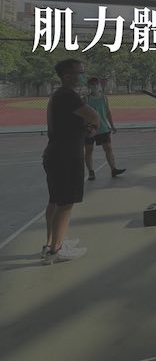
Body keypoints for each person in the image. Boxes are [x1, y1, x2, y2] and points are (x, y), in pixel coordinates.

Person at [42, 59, 98, 264]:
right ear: (67, 76)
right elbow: (93, 116)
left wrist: (84, 127)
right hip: (67, 156)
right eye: (80, 72)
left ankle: (51, 243)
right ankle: (55, 251)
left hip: (55, 153)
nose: (83, 75)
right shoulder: (68, 95)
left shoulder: (58, 95)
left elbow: (70, 122)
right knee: (66, 204)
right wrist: (92, 126)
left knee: (55, 201)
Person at [83, 77, 125, 180]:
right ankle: (91, 172)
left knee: (108, 149)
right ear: (89, 86)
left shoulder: (104, 98)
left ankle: (113, 169)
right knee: (89, 151)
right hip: (90, 129)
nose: (94, 86)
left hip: (103, 128)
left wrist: (112, 126)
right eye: (92, 84)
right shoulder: (86, 99)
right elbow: (83, 114)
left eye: (96, 84)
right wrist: (85, 127)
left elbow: (107, 112)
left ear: (99, 85)